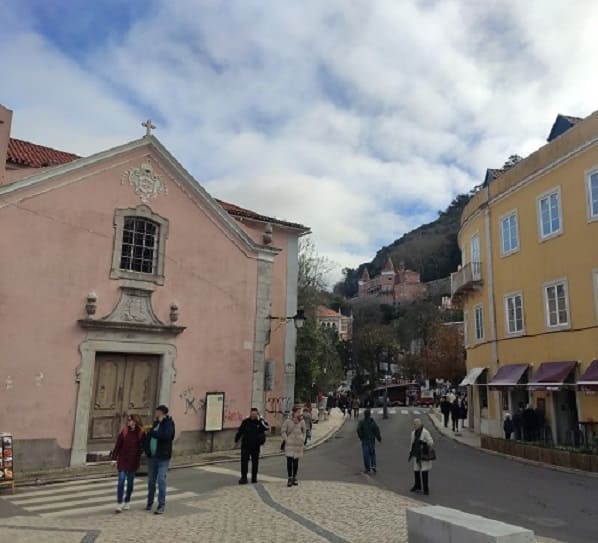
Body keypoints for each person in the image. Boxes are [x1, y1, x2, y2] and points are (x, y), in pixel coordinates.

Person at [144, 405, 175, 515]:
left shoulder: (169, 424)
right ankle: (149, 502)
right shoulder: (155, 423)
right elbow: (148, 438)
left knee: (161, 479)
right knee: (151, 481)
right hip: (152, 457)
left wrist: (152, 432)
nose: (155, 413)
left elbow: (166, 436)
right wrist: (147, 449)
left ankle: (161, 505)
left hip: (163, 457)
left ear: (162, 413)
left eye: (157, 411)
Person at [111, 414, 145, 513]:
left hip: (133, 461)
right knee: (121, 480)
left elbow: (143, 446)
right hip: (123, 459)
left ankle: (127, 500)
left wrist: (140, 453)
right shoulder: (124, 432)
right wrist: (114, 459)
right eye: (128, 420)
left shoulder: (141, 433)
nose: (128, 422)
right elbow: (117, 445)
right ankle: (119, 503)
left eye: (130, 420)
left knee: (130, 483)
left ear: (135, 421)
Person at [235, 408, 269, 484]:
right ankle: (244, 478)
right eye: (252, 414)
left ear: (257, 414)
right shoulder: (246, 422)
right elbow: (240, 431)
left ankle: (254, 477)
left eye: (255, 414)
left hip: (255, 446)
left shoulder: (260, 422)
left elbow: (267, 428)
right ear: (250, 414)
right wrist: (236, 440)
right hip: (246, 445)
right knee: (244, 462)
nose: (253, 415)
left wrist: (262, 419)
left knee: (255, 463)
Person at [281, 407, 306, 487]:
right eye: (298, 412)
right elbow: (283, 431)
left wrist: (303, 439)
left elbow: (305, 431)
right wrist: (286, 439)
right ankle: (289, 477)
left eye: (300, 412)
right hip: (290, 444)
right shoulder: (288, 421)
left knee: (296, 462)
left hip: (298, 444)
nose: (299, 413)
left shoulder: (302, 422)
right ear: (294, 413)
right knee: (289, 461)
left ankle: (295, 477)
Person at [408, 418, 434, 495]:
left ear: (420, 424)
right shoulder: (413, 433)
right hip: (416, 454)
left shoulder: (425, 432)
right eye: (414, 424)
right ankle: (417, 485)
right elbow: (412, 443)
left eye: (416, 424)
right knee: (416, 470)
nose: (415, 425)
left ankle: (426, 489)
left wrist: (423, 443)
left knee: (424, 470)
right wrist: (410, 452)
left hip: (423, 454)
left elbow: (431, 442)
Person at [356, 409, 381, 473]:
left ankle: (367, 468)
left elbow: (358, 430)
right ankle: (373, 465)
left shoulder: (362, 422)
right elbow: (376, 430)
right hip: (371, 440)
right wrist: (379, 438)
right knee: (372, 453)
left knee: (366, 454)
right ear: (369, 414)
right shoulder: (372, 422)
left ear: (364, 415)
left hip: (365, 440)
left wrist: (361, 437)